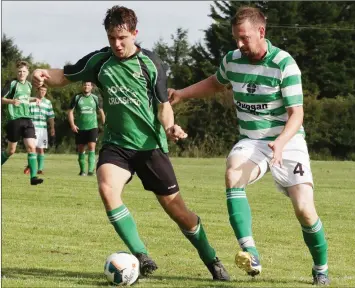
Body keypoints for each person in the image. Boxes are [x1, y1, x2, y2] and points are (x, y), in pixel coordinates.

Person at [31, 5, 229, 281]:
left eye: (122, 38)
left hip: (150, 147)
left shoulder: (151, 63)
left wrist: (171, 127)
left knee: (178, 211)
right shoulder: (99, 62)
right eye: (112, 38)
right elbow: (64, 76)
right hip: (116, 145)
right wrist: (42, 73)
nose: (117, 44)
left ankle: (212, 259)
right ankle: (141, 255)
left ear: (135, 33)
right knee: (106, 187)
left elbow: (163, 106)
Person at [168, 6, 329, 286]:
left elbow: (297, 114)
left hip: (287, 141)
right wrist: (182, 94)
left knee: (304, 209)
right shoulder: (232, 60)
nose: (240, 45)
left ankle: (321, 268)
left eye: (244, 38)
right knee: (233, 174)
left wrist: (279, 143)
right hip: (252, 141)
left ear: (261, 32)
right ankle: (250, 251)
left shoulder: (284, 64)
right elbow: (215, 83)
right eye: (236, 39)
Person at [1, 60, 43, 185]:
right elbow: (1, 99)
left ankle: (33, 177)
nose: (21, 74)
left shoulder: (29, 85)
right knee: (11, 151)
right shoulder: (12, 83)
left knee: (31, 147)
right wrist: (12, 102)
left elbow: (25, 99)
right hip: (14, 119)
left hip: (27, 119)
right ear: (16, 72)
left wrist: (34, 99)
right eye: (19, 71)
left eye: (24, 71)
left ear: (28, 72)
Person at [68, 82, 105, 176]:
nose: (86, 86)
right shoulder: (77, 98)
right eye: (84, 85)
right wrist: (72, 124)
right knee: (81, 149)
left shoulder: (95, 98)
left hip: (93, 126)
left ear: (92, 87)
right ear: (82, 86)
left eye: (88, 85)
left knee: (92, 147)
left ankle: (91, 171)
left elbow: (101, 112)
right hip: (80, 128)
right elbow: (70, 112)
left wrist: (103, 124)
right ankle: (83, 171)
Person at [23, 85, 55, 175]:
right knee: (31, 148)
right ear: (37, 90)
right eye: (41, 90)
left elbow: (51, 116)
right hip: (31, 127)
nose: (43, 92)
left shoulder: (48, 102)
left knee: (41, 149)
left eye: (45, 90)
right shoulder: (31, 101)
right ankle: (30, 166)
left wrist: (52, 128)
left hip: (43, 129)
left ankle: (40, 169)